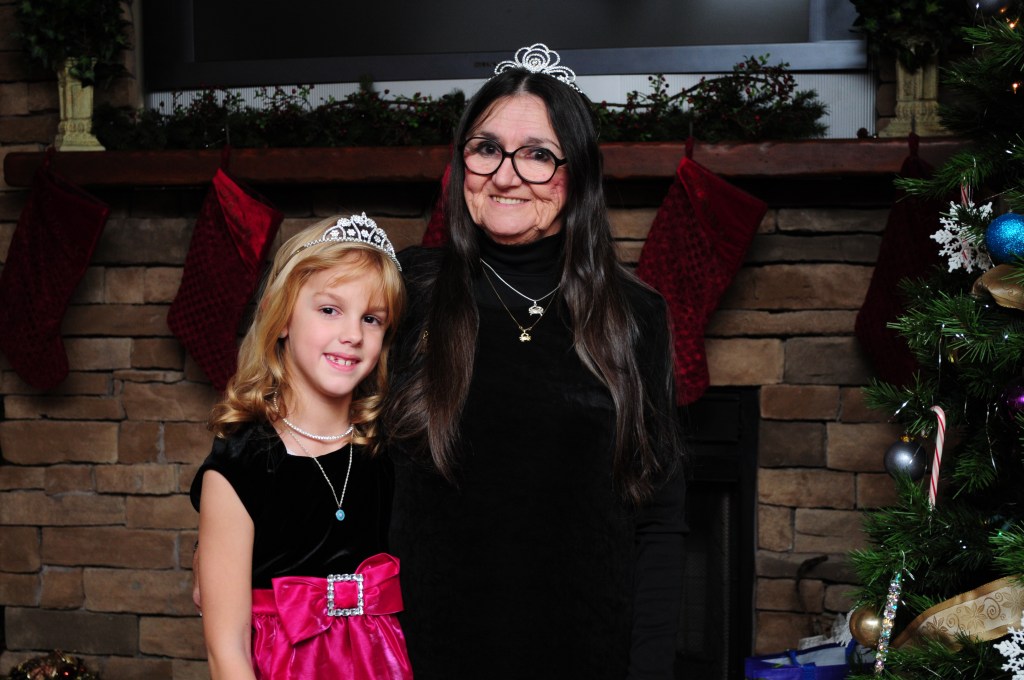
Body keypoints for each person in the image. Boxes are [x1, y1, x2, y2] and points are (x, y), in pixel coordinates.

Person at [383, 44, 687, 679]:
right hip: (424, 655)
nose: (505, 174)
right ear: (461, 163)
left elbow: (658, 519)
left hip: (583, 654)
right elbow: (302, 403)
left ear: (576, 176)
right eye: (486, 147)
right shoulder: (407, 289)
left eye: (538, 155)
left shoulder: (634, 316)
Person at [189, 214, 411, 680]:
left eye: (371, 318)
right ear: (282, 315)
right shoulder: (241, 465)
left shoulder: (389, 448)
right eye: (330, 309)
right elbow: (225, 650)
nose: (352, 334)